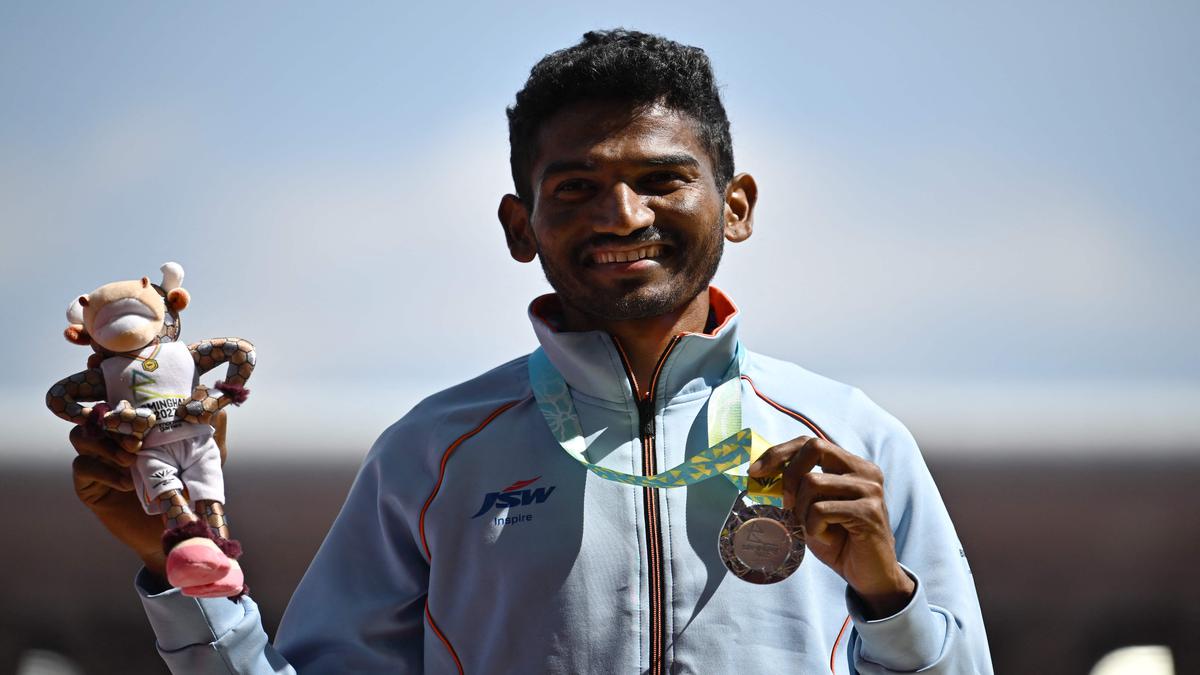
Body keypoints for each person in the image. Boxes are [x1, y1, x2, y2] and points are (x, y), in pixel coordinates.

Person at [70, 29, 992, 674]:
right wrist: (191, 581)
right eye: (578, 185)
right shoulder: (432, 451)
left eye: (662, 178)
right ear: (522, 224)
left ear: (736, 204)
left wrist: (888, 591)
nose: (622, 215)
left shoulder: (853, 440)